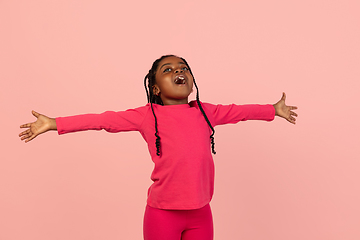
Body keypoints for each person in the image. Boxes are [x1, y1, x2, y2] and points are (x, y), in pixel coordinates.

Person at [19, 55, 298, 240]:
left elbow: (238, 112)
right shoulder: (146, 115)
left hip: (201, 212)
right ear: (154, 88)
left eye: (183, 68)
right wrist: (56, 123)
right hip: (162, 214)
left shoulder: (204, 111)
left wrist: (272, 109)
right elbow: (104, 120)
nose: (179, 71)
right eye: (169, 70)